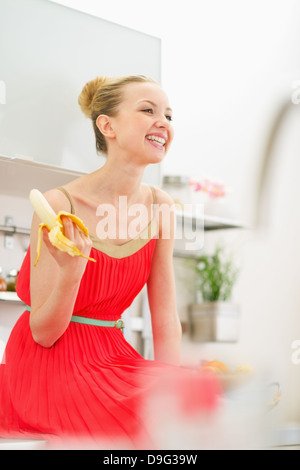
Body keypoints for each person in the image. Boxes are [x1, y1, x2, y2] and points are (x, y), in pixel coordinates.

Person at [0, 76, 221, 449]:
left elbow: (165, 318)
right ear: (108, 126)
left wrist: (171, 385)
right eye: (147, 111)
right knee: (142, 411)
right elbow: (43, 332)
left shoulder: (161, 207)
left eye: (168, 114)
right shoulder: (59, 205)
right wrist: (72, 275)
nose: (163, 122)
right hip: (49, 361)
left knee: (197, 393)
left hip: (112, 354)